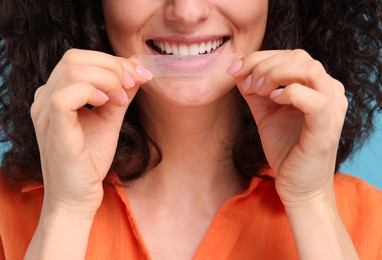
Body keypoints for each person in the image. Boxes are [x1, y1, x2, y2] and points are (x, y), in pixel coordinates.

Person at [0, 0, 381, 259]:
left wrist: (311, 203)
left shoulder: (370, 220)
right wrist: (66, 212)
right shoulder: (7, 215)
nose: (186, 12)